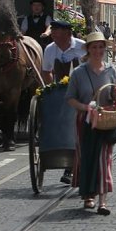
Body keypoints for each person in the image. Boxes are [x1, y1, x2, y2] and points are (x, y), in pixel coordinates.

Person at [65, 32, 116, 215]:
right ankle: (88, 195)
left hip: (106, 120)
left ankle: (103, 201)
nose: (98, 51)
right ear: (88, 50)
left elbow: (115, 94)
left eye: (101, 47)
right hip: (85, 121)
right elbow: (70, 99)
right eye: (94, 47)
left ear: (105, 49)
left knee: (104, 158)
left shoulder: (110, 71)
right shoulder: (79, 73)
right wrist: (85, 107)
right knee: (87, 156)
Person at [42, 19, 86, 184]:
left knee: (79, 128)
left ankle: (73, 167)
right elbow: (46, 71)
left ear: (68, 33)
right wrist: (51, 89)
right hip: (61, 95)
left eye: (57, 31)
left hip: (81, 94)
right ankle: (64, 159)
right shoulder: (49, 50)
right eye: (52, 30)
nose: (53, 33)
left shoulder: (82, 47)